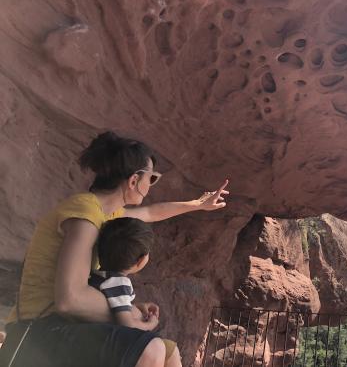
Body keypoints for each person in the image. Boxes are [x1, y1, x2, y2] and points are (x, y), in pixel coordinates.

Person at [0, 131, 229, 367]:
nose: (151, 186)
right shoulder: (85, 216)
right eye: (152, 179)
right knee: (151, 348)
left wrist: (198, 204)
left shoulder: (105, 213)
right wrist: (129, 314)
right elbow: (70, 299)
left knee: (170, 353)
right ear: (133, 181)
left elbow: (152, 213)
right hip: (37, 328)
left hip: (64, 324)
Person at [89, 217, 180, 366]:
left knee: (170, 349)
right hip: (112, 347)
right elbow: (127, 325)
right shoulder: (119, 283)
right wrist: (149, 325)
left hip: (97, 340)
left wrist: (137, 307)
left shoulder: (97, 276)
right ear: (141, 260)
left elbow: (114, 305)